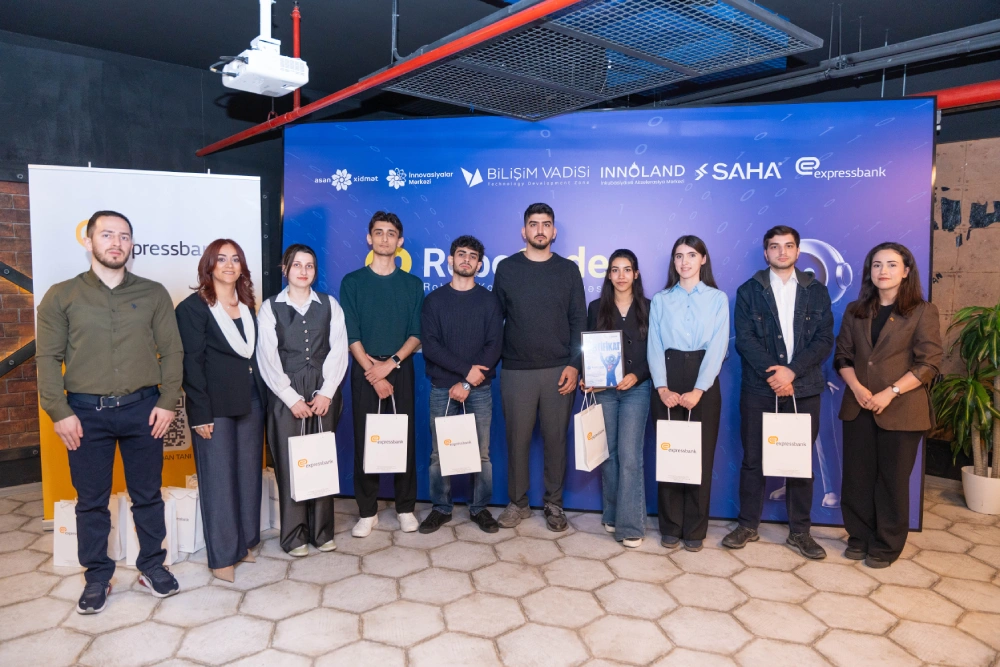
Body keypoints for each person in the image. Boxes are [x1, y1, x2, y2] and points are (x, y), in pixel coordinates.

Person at [36, 210, 183, 614]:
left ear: (131, 244)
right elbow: (47, 359)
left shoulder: (153, 293)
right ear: (88, 241)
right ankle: (98, 576)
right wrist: (59, 411)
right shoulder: (61, 296)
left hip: (144, 411)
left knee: (147, 495)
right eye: (107, 235)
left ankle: (152, 565)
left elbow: (173, 352)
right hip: (84, 415)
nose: (116, 243)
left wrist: (167, 402)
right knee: (91, 501)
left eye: (124, 236)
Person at [726, 225, 834, 559]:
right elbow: (745, 340)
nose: (782, 252)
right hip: (760, 388)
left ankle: (800, 532)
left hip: (804, 388)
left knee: (799, 463)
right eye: (775, 246)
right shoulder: (749, 291)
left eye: (788, 246)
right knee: (753, 459)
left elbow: (824, 340)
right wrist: (775, 374)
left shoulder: (816, 291)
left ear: (798, 252)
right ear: (766, 252)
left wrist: (792, 371)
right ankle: (747, 525)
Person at [835, 242, 942, 568]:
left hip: (902, 409)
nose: (883, 271)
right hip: (859, 405)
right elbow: (843, 356)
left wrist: (890, 392)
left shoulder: (922, 311)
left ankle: (886, 545)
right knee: (856, 478)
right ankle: (859, 537)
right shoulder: (855, 310)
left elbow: (929, 363)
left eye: (892, 264)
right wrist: (857, 388)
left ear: (906, 271)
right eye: (877, 264)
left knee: (892, 481)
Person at [175, 238, 267, 582]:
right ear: (209, 265)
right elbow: (192, 364)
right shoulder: (193, 308)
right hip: (214, 407)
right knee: (218, 481)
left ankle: (244, 543)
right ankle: (222, 557)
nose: (229, 265)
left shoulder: (247, 304)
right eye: (222, 259)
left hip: (251, 401)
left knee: (248, 476)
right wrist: (199, 413)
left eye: (236, 259)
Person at [494, 203, 586, 531]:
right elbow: (495, 319)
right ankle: (517, 503)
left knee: (556, 441)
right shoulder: (507, 268)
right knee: (516, 441)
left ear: (554, 231)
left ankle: (554, 504)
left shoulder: (568, 270)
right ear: (524, 231)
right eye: (534, 224)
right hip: (516, 370)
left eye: (546, 224)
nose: (540, 230)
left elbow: (579, 320)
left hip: (558, 371)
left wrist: (575, 365)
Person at [257, 244, 349, 555]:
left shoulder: (330, 305)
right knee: (290, 462)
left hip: (323, 389)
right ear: (285, 269)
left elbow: (339, 350)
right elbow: (267, 356)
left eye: (309, 265)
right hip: (285, 390)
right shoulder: (270, 307)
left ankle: (322, 532)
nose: (303, 271)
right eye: (296, 265)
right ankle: (295, 535)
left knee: (321, 458)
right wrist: (290, 397)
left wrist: (327, 392)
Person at [340, 211, 423, 537]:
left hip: (400, 369)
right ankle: (367, 512)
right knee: (366, 440)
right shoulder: (352, 282)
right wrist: (373, 372)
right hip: (364, 370)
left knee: (403, 438)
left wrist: (390, 365)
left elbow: (416, 333)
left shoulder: (412, 284)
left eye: (391, 233)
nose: (384, 238)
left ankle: (405, 508)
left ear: (399, 241)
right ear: (369, 238)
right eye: (378, 232)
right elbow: (351, 334)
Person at [647, 237, 729, 552]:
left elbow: (719, 345)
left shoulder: (717, 298)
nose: (685, 262)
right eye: (679, 256)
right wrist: (662, 387)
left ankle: (694, 529)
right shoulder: (661, 299)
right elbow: (654, 344)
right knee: (669, 454)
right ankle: (670, 526)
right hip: (667, 375)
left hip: (703, 378)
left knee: (699, 456)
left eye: (692, 255)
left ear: (703, 259)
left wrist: (698, 389)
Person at [418, 235, 503, 534]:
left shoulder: (489, 301)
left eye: (473, 256)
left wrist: (467, 383)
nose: (466, 259)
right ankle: (441, 508)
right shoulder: (434, 301)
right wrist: (465, 373)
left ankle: (479, 508)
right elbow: (431, 346)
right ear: (450, 259)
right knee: (439, 454)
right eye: (461, 254)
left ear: (479, 265)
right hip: (442, 388)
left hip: (479, 390)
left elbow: (494, 346)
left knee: (481, 453)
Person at [583, 249, 651, 548]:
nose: (621, 275)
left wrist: (638, 375)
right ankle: (612, 514)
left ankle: (631, 525)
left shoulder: (650, 307)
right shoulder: (596, 307)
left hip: (637, 388)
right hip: (604, 391)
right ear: (608, 275)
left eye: (627, 269)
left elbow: (658, 351)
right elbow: (587, 349)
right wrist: (588, 376)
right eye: (615, 270)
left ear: (636, 274)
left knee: (630, 456)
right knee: (608, 454)